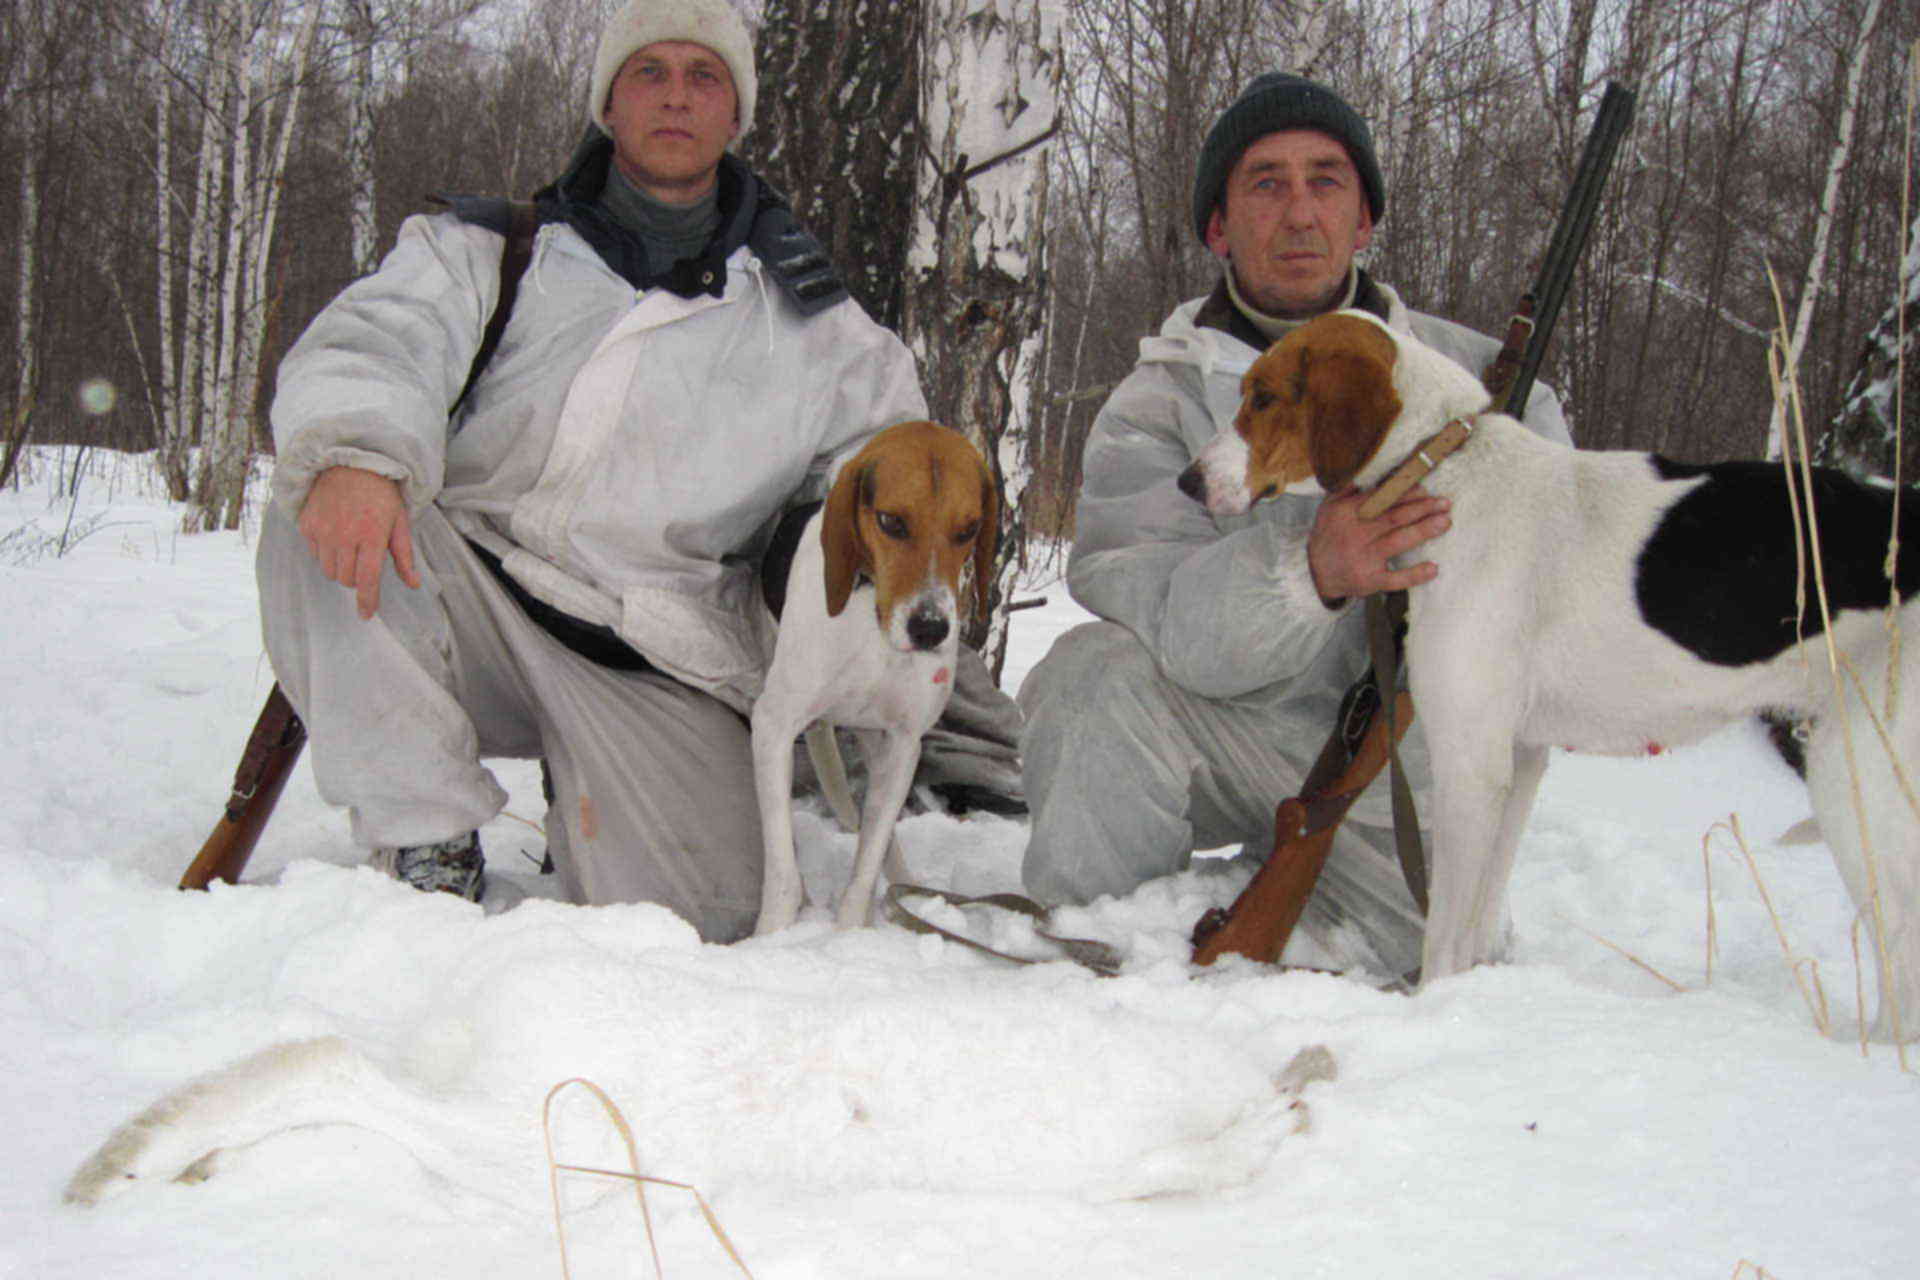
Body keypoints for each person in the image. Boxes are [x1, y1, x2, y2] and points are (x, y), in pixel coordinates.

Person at [257, 0, 1019, 940]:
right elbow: (373, 342)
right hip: (472, 598)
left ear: (736, 115)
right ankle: (427, 839)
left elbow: (902, 486)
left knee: (706, 921)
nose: (675, 97)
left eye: (704, 77)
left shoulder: (820, 328)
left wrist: (894, 657)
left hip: (657, 653)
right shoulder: (492, 251)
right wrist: (358, 453)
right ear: (607, 105)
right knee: (327, 501)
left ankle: (589, 786)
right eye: (647, 72)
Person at [1017, 72, 1572, 980]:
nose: (1300, 212)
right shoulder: (1151, 410)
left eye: (1327, 180)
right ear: (1218, 226)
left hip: (1404, 779)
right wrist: (1311, 568)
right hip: (1227, 728)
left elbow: (1559, 596)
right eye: (1266, 183)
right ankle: (1099, 954)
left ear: (1365, 220)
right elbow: (1176, 632)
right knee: (1090, 678)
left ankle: (1253, 925)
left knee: (1414, 957)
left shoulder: (1494, 387)